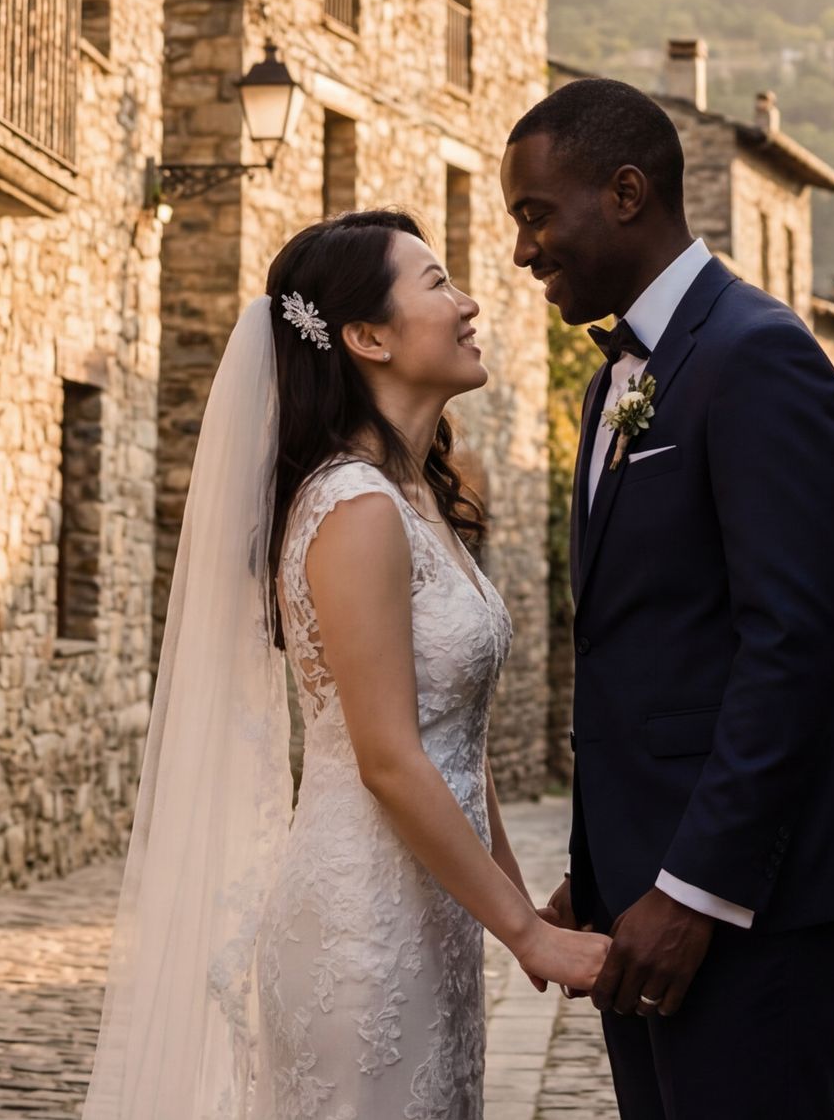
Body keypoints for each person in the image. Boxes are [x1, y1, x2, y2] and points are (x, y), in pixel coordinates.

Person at [82, 210, 609, 1120]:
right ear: (366, 336)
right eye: (439, 283)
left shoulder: (415, 498)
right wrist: (527, 936)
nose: (471, 302)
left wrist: (518, 909)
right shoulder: (354, 506)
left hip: (431, 913)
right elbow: (391, 756)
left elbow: (456, 742)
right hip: (359, 922)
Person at [503, 77, 834, 1120]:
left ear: (625, 192)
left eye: (536, 215)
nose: (523, 251)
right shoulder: (613, 382)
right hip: (643, 884)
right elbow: (648, 642)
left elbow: (792, 646)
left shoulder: (758, 354)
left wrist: (694, 891)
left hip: (745, 893)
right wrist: (604, 870)